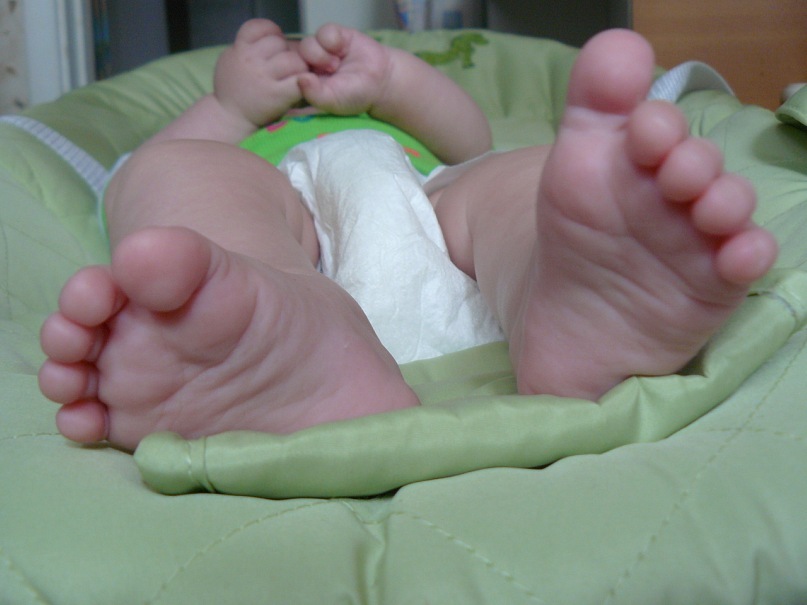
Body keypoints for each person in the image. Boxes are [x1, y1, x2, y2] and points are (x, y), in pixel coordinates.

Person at [38, 20, 778, 451]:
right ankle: (280, 335)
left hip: (426, 197)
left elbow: (468, 138)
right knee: (173, 173)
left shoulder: (391, 124)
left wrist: (393, 83)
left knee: (512, 178)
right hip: (284, 217)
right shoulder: (239, 140)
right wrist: (229, 106)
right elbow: (133, 177)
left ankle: (553, 288)